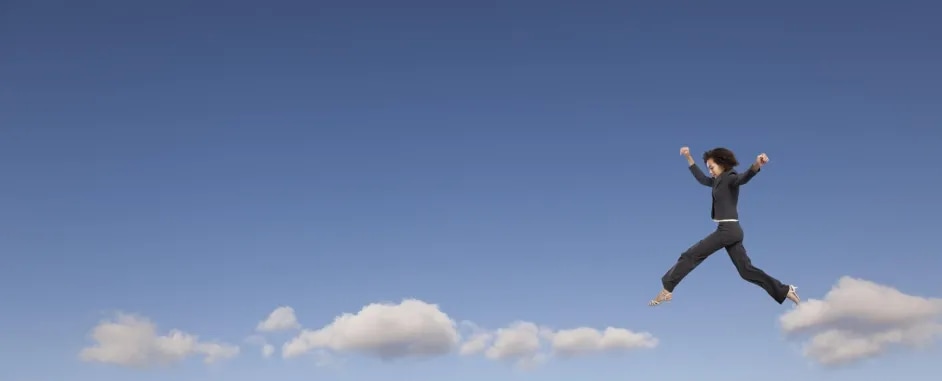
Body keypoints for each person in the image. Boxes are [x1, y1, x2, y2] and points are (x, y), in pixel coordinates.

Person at [648, 146, 800, 307]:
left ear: (722, 164)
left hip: (727, 230)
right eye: (709, 169)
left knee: (690, 255)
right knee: (746, 271)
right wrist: (688, 157)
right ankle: (784, 290)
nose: (710, 172)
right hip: (732, 231)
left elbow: (744, 178)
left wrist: (757, 164)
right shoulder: (716, 181)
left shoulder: (730, 177)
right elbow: (701, 178)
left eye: (712, 167)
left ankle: (667, 289)